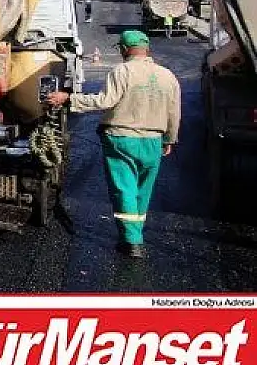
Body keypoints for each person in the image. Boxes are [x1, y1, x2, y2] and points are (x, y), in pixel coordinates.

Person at [46, 30, 181, 258]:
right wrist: (170, 139)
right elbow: (174, 113)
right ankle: (136, 233)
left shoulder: (122, 71)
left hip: (121, 139)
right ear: (147, 48)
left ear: (125, 49)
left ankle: (132, 242)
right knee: (142, 191)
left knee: (124, 189)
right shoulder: (168, 76)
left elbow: (105, 101)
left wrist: (69, 98)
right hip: (153, 142)